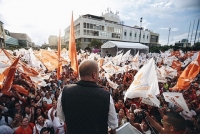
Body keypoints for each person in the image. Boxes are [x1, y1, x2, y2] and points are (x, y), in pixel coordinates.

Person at [57, 59, 118, 134]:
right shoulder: (106, 96)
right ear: (94, 75)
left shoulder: (65, 92)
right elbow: (113, 126)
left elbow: (61, 118)